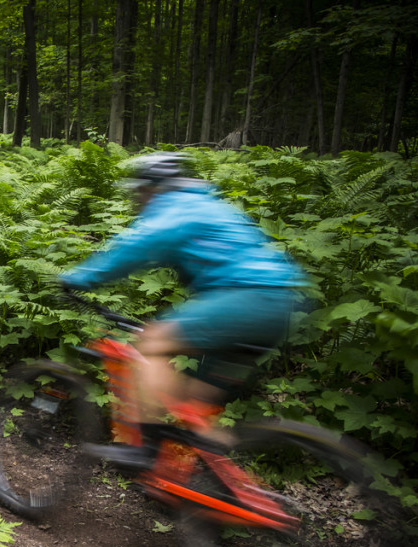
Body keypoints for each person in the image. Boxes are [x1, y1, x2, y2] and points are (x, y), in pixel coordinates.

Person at [58, 151, 310, 465]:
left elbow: (135, 248)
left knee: (152, 342)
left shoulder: (174, 207)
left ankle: (145, 450)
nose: (138, 200)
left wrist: (82, 277)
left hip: (246, 298)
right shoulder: (209, 204)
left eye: (140, 193)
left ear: (151, 188)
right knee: (196, 409)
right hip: (280, 304)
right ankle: (216, 484)